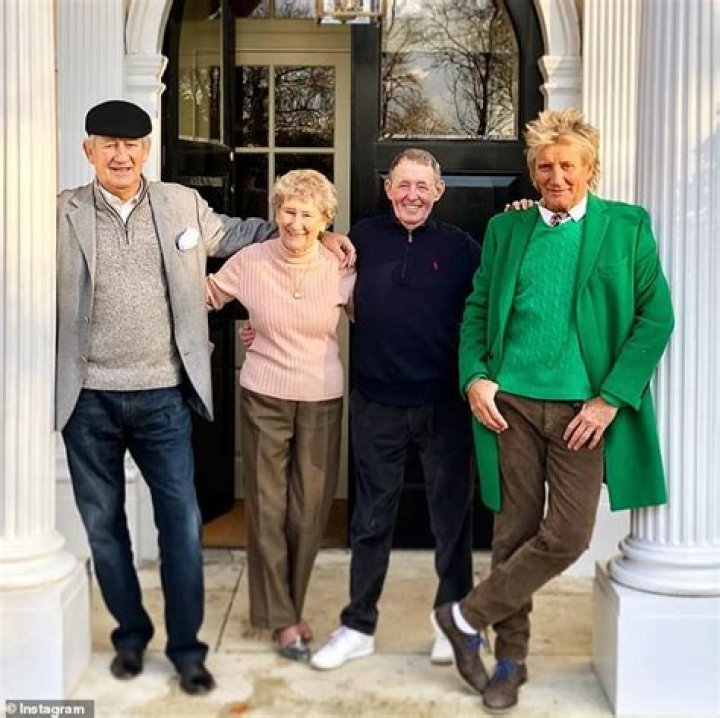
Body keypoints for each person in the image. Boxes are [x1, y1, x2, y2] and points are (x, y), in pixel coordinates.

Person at [57, 100, 353, 694]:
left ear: (147, 150)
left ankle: (187, 649)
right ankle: (130, 636)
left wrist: (321, 233)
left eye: (131, 145)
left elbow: (250, 233)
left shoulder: (181, 204)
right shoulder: (57, 214)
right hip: (87, 398)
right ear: (89, 150)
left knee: (182, 524)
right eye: (108, 144)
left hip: (164, 394)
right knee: (104, 528)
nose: (121, 155)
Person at [432, 109, 674, 714]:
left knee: (567, 535)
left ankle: (464, 617)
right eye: (544, 166)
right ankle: (510, 661)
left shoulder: (626, 227)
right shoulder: (506, 229)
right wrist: (475, 378)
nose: (556, 176)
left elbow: (655, 319)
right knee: (513, 532)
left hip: (580, 412)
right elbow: (478, 309)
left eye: (568, 165)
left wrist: (610, 398)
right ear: (532, 171)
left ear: (591, 168)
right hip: (509, 406)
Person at [310, 149, 481, 670]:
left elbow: (496, 300)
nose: (412, 195)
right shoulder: (360, 239)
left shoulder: (461, 247)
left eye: (423, 186)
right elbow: (304, 277)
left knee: (451, 521)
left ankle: (450, 622)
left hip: (443, 404)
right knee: (370, 520)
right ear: (388, 189)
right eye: (403, 185)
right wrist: (323, 237)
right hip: (376, 402)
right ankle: (358, 626)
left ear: (439, 191)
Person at [206, 169, 355, 661]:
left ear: (325, 220)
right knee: (267, 507)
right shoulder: (250, 260)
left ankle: (287, 605)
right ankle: (284, 619)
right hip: (263, 396)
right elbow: (205, 295)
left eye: (307, 214)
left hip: (321, 397)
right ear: (275, 212)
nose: (295, 223)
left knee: (308, 511)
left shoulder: (340, 265)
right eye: (287, 211)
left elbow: (379, 315)